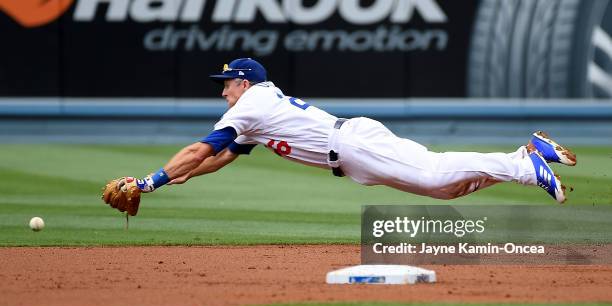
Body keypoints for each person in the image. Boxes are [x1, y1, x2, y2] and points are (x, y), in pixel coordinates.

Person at [112, 58, 576, 207]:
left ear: (245, 82)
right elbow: (220, 156)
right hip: (352, 152)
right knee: (448, 189)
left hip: (351, 143)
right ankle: (524, 156)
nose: (223, 92)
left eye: (226, 84)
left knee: (436, 175)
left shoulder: (251, 102)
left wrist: (150, 180)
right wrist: (180, 177)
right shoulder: (255, 110)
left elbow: (199, 147)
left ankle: (523, 166)